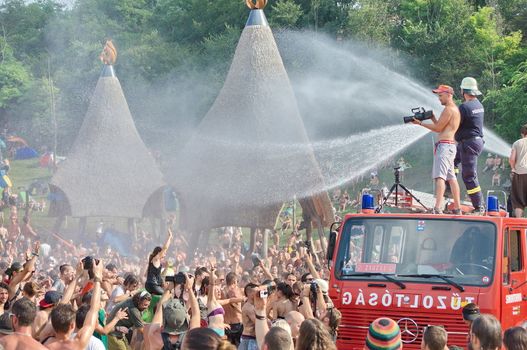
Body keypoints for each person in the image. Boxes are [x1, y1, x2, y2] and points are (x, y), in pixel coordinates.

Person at [413, 84, 461, 214]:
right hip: (450, 146)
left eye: (441, 95)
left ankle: (438, 207)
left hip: (444, 147)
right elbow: (441, 126)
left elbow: (438, 129)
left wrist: (420, 123)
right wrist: (433, 118)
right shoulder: (454, 109)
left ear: (449, 95)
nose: (439, 98)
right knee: (451, 178)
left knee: (440, 177)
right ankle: (457, 208)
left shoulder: (448, 110)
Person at [44, 259, 104, 350]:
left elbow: (63, 303)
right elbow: (93, 310)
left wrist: (77, 277)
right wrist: (98, 277)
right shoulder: (77, 344)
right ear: (72, 326)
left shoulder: (45, 337)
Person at [455, 77, 485, 214]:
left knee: (469, 175)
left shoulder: (464, 107)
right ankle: (450, 189)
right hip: (474, 142)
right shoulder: (478, 105)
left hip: (468, 144)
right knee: (452, 161)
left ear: (463, 91)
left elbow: (454, 124)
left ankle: (479, 206)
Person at [146, 229, 173, 295]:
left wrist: (166, 267)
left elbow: (160, 275)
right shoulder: (155, 259)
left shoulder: (157, 262)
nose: (165, 254)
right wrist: (169, 237)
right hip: (152, 285)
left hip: (153, 285)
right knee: (166, 295)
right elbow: (165, 248)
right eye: (164, 253)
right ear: (159, 253)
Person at [509, 124, 527, 218]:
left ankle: (518, 224)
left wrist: (513, 168)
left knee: (518, 201)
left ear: (522, 133)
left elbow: (512, 159)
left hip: (520, 174)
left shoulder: (517, 143)